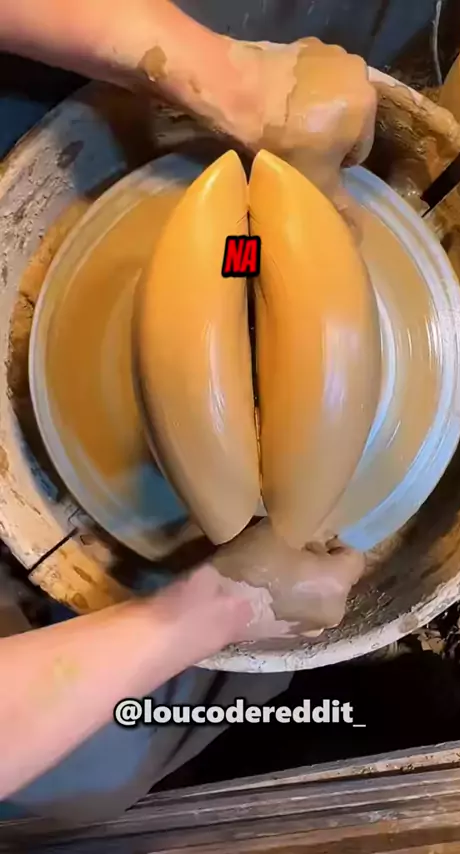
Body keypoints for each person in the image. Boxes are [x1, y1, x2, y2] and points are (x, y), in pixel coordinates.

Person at [0, 0, 376, 826]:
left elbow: (246, 264)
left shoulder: (243, 246)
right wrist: (223, 609)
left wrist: (231, 79)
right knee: (94, 772)